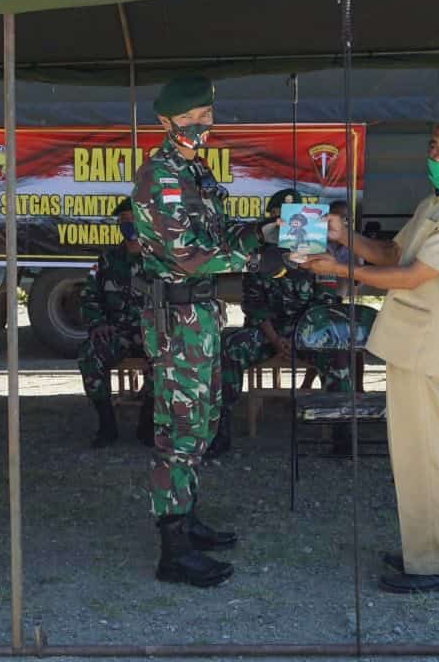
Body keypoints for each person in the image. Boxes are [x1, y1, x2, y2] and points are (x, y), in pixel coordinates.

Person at [300, 113, 439, 593]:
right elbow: (394, 255)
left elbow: (413, 277)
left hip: (430, 346)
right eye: (435, 145)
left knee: (428, 458)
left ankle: (435, 565)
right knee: (412, 456)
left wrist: (341, 269)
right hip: (413, 345)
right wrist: (344, 237)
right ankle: (422, 550)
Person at [131, 75, 285, 588]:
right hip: (177, 322)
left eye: (206, 116)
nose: (200, 126)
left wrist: (269, 232)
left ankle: (188, 518)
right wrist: (260, 260)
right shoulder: (161, 177)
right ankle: (172, 550)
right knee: (178, 432)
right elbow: (187, 255)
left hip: (201, 317)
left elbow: (215, 236)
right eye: (189, 119)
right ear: (164, 122)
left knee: (201, 422)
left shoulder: (196, 172)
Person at [216, 189, 350, 460]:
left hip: (310, 334)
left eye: (293, 218)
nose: (288, 224)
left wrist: (301, 338)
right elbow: (254, 306)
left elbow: (325, 306)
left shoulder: (318, 254)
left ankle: (343, 435)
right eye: (280, 217)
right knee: (229, 346)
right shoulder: (259, 257)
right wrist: (277, 340)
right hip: (268, 334)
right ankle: (220, 431)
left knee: (338, 354)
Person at [77, 197, 154, 449]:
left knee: (168, 357)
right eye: (123, 222)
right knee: (90, 355)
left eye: (133, 221)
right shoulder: (107, 260)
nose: (129, 226)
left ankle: (148, 425)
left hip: (152, 334)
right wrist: (98, 323)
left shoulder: (160, 261)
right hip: (117, 333)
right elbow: (89, 296)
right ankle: (107, 425)